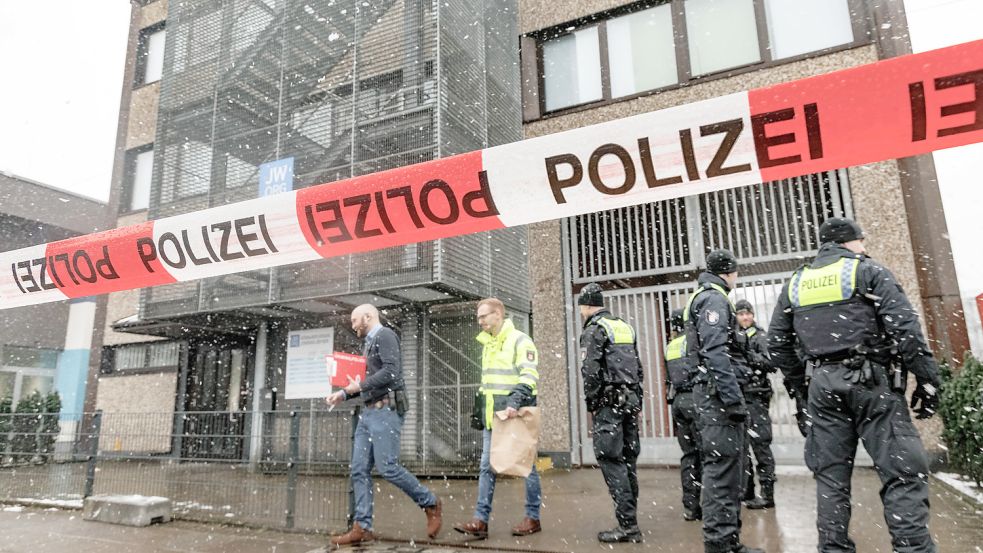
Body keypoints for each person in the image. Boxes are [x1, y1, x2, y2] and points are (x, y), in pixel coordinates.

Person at [768, 217, 941, 553]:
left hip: (822, 385)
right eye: (862, 240)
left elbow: (777, 343)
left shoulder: (797, 282)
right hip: (871, 383)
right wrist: (927, 379)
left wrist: (802, 385)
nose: (864, 246)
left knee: (831, 478)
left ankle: (833, 549)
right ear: (851, 241)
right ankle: (913, 549)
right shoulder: (867, 271)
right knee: (903, 473)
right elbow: (905, 328)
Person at [326, 304, 442, 546]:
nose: (353, 324)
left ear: (369, 317)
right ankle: (362, 528)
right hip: (368, 415)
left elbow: (391, 372)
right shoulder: (368, 343)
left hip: (385, 411)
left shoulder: (385, 335)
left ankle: (430, 502)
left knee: (388, 467)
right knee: (359, 469)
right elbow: (366, 382)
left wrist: (358, 387)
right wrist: (344, 395)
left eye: (355, 319)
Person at [684, 250, 763, 553]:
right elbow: (715, 353)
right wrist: (733, 401)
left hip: (713, 394)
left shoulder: (705, 295)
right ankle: (720, 544)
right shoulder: (714, 299)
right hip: (718, 398)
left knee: (728, 470)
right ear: (730, 272)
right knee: (722, 472)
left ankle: (728, 541)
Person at [454, 298, 543, 539]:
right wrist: (480, 412)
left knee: (526, 466)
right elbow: (488, 384)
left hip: (514, 414)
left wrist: (514, 403)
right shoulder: (488, 343)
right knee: (487, 467)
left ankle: (532, 518)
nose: (479, 320)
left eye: (483, 316)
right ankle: (480, 521)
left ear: (498, 315)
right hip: (494, 417)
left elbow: (529, 376)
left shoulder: (520, 340)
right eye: (478, 317)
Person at [578, 283, 645, 543]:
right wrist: (635, 398)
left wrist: (593, 403)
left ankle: (628, 526)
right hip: (629, 402)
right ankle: (631, 520)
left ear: (585, 306)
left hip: (609, 405)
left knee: (611, 460)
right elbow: (638, 369)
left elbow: (590, 371)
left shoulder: (594, 329)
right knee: (628, 461)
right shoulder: (623, 326)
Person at [733, 300, 776, 510]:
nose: (745, 318)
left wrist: (749, 356)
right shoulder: (735, 337)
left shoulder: (760, 336)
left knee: (761, 445)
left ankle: (768, 494)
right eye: (741, 314)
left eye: (747, 314)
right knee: (743, 448)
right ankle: (747, 491)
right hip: (742, 396)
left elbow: (770, 363)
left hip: (757, 397)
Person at [664, 308, 703, 521]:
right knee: (707, 454)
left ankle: (690, 506)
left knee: (689, 455)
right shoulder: (692, 342)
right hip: (696, 399)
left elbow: (669, 378)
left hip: (678, 401)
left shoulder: (670, 346)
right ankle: (708, 505)